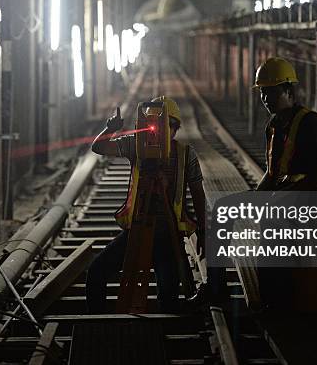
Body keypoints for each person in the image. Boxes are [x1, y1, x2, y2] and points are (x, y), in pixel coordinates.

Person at [86, 96, 226, 313]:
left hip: (167, 237)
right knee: (96, 272)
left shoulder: (186, 155)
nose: (158, 132)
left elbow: (198, 195)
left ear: (175, 129)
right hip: (137, 231)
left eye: (166, 126)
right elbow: (99, 147)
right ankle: (97, 324)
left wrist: (203, 231)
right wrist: (110, 129)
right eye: (152, 127)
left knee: (167, 299)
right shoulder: (136, 146)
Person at [253, 57, 317, 312]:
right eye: (262, 93)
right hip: (291, 196)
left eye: (270, 92)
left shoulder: (310, 122)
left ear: (289, 91)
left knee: (271, 224)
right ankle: (271, 298)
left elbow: (316, 176)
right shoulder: (273, 126)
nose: (265, 99)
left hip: (316, 197)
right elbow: (272, 174)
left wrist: (275, 202)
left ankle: (280, 300)